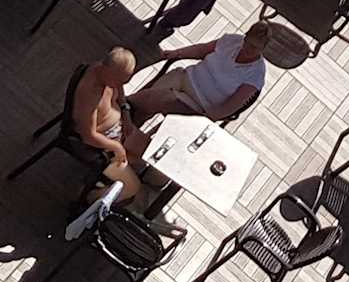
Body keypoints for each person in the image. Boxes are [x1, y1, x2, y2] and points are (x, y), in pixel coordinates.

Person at [130, 23, 283, 123]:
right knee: (151, 97)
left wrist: (205, 119)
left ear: (263, 48)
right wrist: (177, 53)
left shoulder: (255, 75)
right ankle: (128, 123)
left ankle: (124, 106)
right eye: (248, 43)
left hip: (200, 103)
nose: (248, 49)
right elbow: (202, 50)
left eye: (255, 47)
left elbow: (230, 107)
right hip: (186, 77)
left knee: (158, 98)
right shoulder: (232, 40)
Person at [69, 48, 149, 210]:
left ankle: (105, 179)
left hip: (119, 129)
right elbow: (88, 135)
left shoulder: (109, 75)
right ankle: (89, 200)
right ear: (106, 70)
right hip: (100, 145)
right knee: (132, 187)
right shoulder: (89, 93)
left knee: (151, 152)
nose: (120, 85)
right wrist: (116, 147)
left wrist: (125, 111)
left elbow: (119, 89)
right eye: (118, 81)